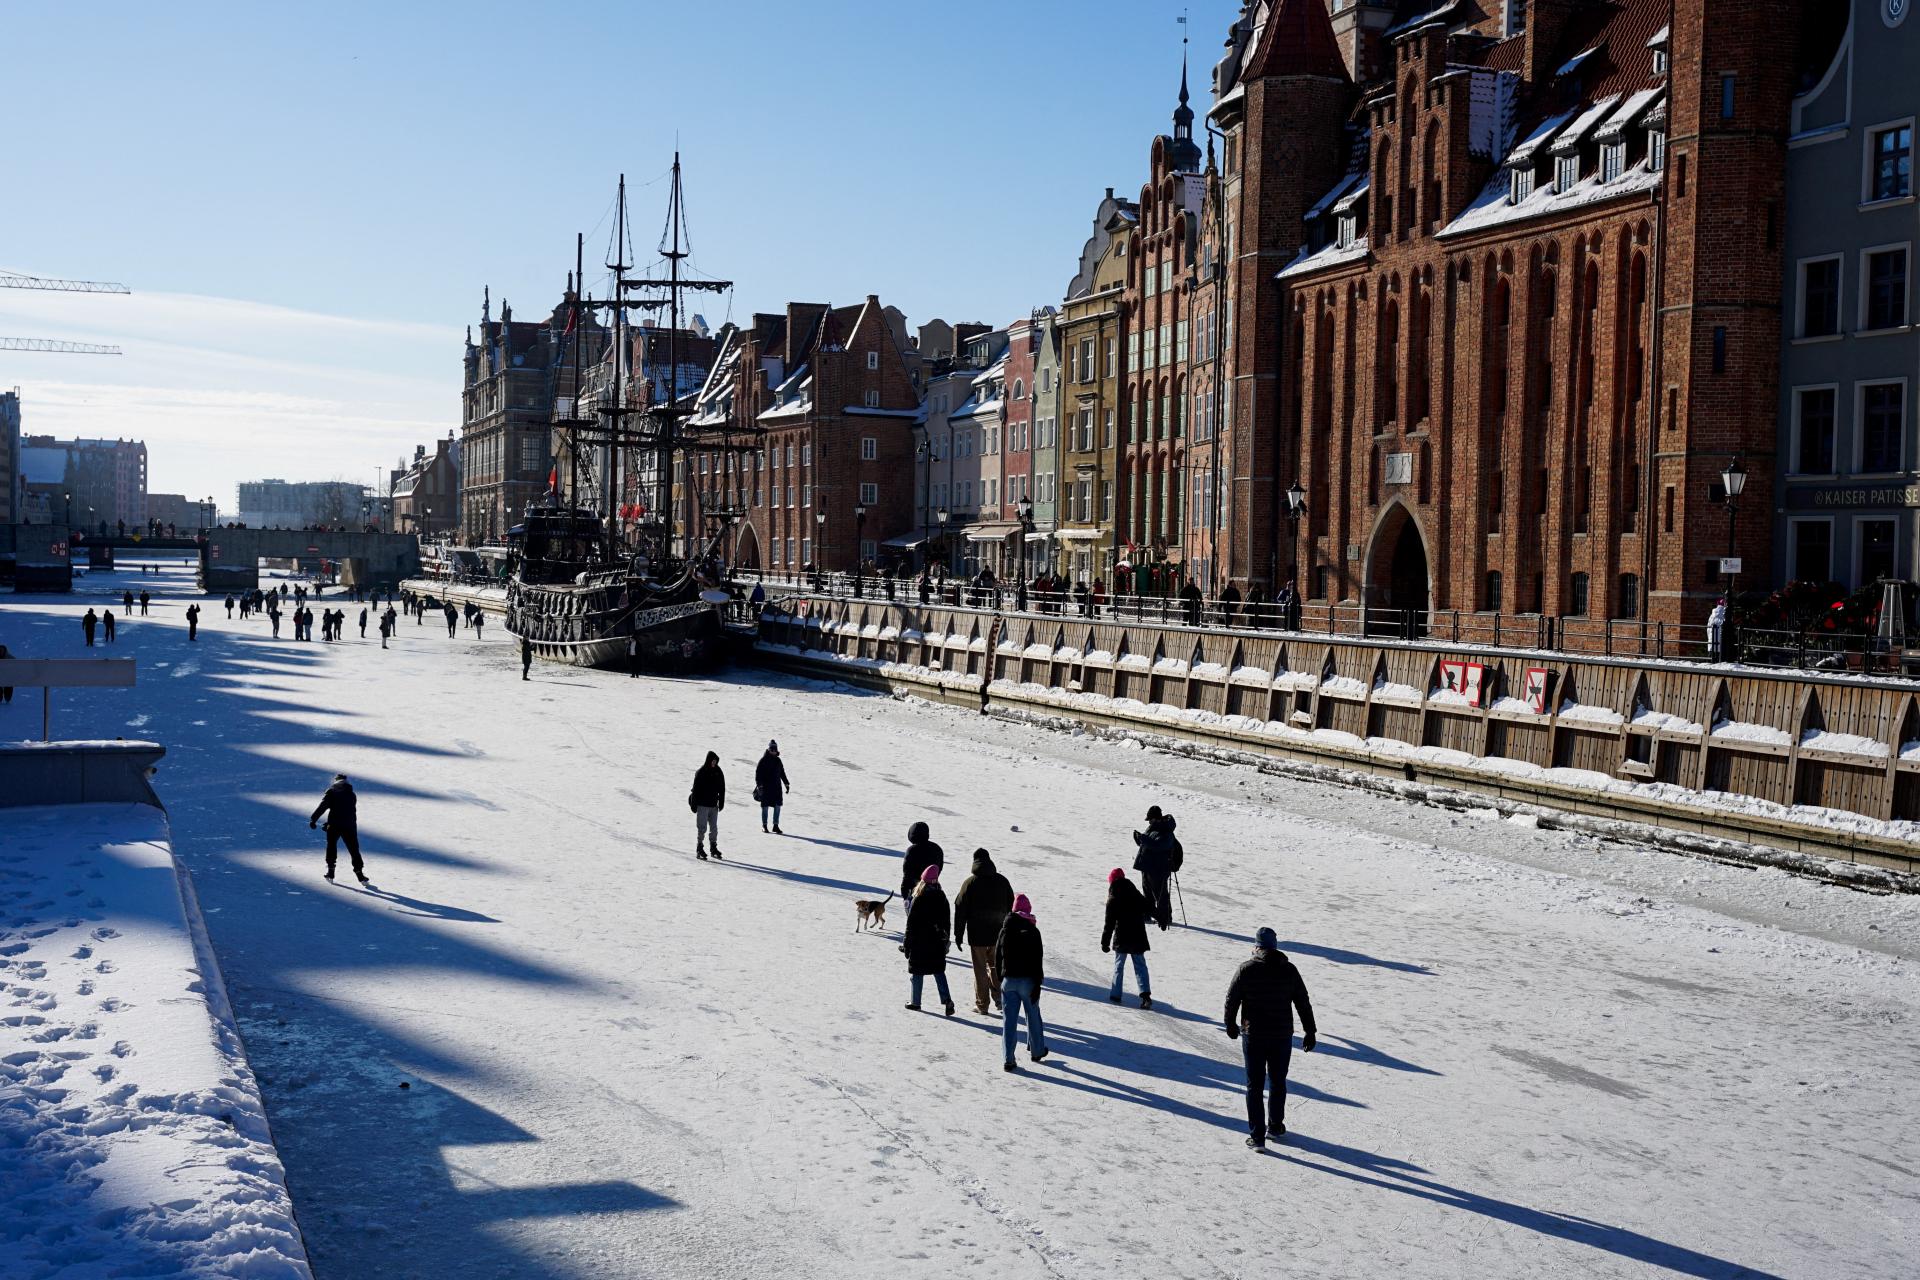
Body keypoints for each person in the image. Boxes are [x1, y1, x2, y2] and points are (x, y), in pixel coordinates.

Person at [1224, 927, 1317, 1149]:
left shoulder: (1246, 969)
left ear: (1257, 947)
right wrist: (1310, 1031)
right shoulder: (1289, 970)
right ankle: (1275, 1125)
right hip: (1281, 1036)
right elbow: (1302, 1002)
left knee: (1254, 1086)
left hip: (1254, 1035)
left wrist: (1230, 1024)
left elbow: (1232, 998)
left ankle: (1257, 1138)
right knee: (1277, 1081)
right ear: (1275, 947)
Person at [952, 848, 1013, 1015]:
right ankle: (1000, 999)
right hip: (998, 934)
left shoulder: (970, 883)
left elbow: (960, 909)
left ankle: (982, 1005)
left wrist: (958, 934)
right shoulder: (1002, 881)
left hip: (977, 935)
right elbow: (1011, 905)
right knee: (995, 967)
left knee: (980, 969)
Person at [996, 894, 1048, 1071]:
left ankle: (1008, 1059)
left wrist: (1001, 978)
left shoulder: (1005, 929)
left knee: (1009, 1021)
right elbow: (1037, 960)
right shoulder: (1033, 931)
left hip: (1009, 980)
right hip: (1028, 982)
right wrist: (1038, 984)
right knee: (1033, 1016)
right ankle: (1037, 1051)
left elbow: (998, 956)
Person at [902, 865, 955, 1015]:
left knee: (917, 972)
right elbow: (946, 922)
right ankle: (947, 1000)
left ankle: (915, 1002)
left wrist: (907, 944)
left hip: (919, 942)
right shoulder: (942, 896)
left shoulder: (918, 898)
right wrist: (946, 940)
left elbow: (911, 924)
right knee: (939, 971)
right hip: (936, 941)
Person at [1102, 868, 1154, 1008]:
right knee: (1140, 966)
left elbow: (1109, 924)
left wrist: (1105, 943)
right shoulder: (1134, 892)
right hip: (1137, 936)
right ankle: (1145, 996)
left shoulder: (1113, 897)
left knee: (1119, 966)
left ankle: (1115, 994)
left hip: (1122, 937)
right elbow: (1148, 907)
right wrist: (1161, 916)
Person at [309, 773, 369, 885]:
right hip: (349, 825)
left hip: (334, 825)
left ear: (335, 781)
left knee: (331, 846)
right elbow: (348, 811)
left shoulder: (331, 792)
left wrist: (314, 820)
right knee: (354, 849)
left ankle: (330, 872)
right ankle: (360, 874)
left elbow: (322, 807)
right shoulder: (351, 794)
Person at [1131, 806, 1182, 929]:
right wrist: (1138, 838)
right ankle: (1147, 915)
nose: (1149, 822)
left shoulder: (1167, 831)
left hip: (1158, 868)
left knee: (1160, 894)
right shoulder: (1153, 827)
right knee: (1147, 893)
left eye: (1150, 819)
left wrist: (1143, 838)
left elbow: (1158, 846)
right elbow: (1147, 843)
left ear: (1157, 818)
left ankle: (1165, 918)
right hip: (1147, 866)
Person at [689, 750, 726, 860]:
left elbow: (722, 788)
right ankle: (699, 847)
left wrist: (722, 801)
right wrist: (694, 804)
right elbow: (695, 789)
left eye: (715, 761)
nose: (714, 763)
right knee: (702, 828)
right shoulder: (701, 772)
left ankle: (713, 847)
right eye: (713, 761)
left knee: (714, 828)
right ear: (708, 760)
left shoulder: (718, 771)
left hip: (713, 805)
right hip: (702, 805)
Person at [900, 821, 944, 904]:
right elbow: (939, 868)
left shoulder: (912, 850)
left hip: (916, 892)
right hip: (934, 889)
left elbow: (907, 875)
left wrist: (905, 894)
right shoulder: (937, 849)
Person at [754, 740, 790, 833]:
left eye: (775, 749)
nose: (773, 751)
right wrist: (760, 786)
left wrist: (786, 783)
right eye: (772, 749)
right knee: (765, 806)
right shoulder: (763, 760)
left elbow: (782, 772)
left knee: (778, 806)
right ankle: (764, 826)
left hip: (777, 788)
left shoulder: (778, 761)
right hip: (765, 788)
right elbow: (758, 774)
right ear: (769, 749)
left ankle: (775, 825)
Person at [1707, 597, 1728, 661]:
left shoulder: (1712, 615)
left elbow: (1708, 629)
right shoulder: (1726, 614)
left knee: (1711, 661)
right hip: (1722, 646)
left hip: (1712, 642)